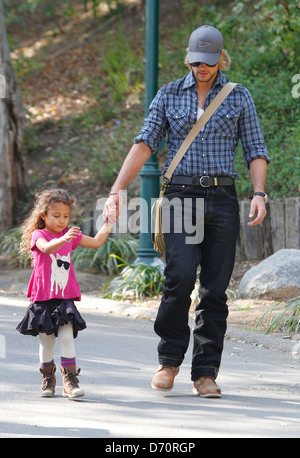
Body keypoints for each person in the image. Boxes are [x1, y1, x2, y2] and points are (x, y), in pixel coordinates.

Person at [103, 25, 270, 398]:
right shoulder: (168, 95)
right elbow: (145, 142)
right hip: (180, 197)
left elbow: (255, 148)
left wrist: (259, 192)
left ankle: (206, 373)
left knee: (214, 290)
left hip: (222, 198)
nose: (202, 68)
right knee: (178, 279)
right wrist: (118, 188)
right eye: (196, 62)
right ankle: (169, 361)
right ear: (188, 58)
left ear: (220, 58)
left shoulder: (238, 96)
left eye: (208, 62)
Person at [17, 188, 114, 398]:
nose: (62, 221)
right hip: (43, 297)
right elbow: (46, 249)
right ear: (44, 215)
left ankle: (69, 380)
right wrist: (64, 239)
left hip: (64, 298)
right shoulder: (39, 235)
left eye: (66, 216)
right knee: (47, 341)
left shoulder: (69, 234)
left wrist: (109, 224)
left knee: (67, 337)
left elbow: (97, 242)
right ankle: (47, 379)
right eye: (56, 216)